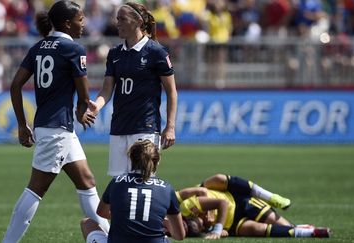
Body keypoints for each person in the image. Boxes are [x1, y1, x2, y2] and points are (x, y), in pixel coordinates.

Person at [2, 1, 109, 242]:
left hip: (51, 126)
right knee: (36, 189)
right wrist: (83, 110)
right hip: (57, 128)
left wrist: (22, 124)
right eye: (81, 20)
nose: (84, 24)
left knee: (87, 181)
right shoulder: (74, 49)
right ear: (68, 23)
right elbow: (83, 97)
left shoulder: (39, 47)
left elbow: (15, 84)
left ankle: (115, 236)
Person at [88, 1, 178, 177]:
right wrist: (97, 106)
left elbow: (171, 91)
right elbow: (107, 90)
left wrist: (170, 126)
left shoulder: (156, 52)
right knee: (118, 184)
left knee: (143, 182)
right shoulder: (114, 54)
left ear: (137, 22)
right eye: (117, 19)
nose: (117, 23)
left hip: (145, 127)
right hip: (119, 127)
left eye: (122, 19)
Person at [81, 140, 186, 243]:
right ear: (157, 161)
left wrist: (124, 218)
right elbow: (179, 236)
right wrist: (162, 222)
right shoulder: (167, 188)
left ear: (131, 159)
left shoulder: (117, 182)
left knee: (87, 223)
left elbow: (101, 212)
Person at [176, 174, 331, 239]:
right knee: (258, 230)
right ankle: (311, 232)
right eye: (202, 227)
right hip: (234, 224)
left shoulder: (189, 206)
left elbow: (220, 202)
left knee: (219, 178)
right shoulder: (197, 231)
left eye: (201, 221)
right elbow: (222, 233)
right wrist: (219, 230)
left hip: (239, 202)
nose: (204, 223)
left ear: (193, 215)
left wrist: (216, 227)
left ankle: (271, 197)